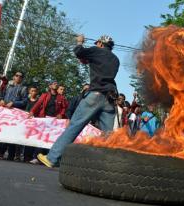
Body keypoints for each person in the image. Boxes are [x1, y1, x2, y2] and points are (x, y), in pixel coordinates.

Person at [37, 34, 120, 167]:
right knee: (108, 135)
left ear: (100, 43)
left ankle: (52, 158)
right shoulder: (116, 60)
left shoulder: (96, 50)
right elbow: (99, 66)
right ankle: (109, 165)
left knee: (75, 125)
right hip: (110, 99)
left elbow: (79, 52)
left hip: (95, 95)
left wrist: (79, 42)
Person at [28, 81, 68, 164]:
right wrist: (32, 111)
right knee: (42, 138)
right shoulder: (45, 95)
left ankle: (48, 158)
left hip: (55, 121)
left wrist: (61, 114)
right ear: (50, 86)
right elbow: (38, 104)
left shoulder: (61, 97)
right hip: (45, 119)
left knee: (51, 140)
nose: (56, 84)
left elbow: (64, 107)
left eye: (56, 84)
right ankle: (36, 157)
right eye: (54, 83)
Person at [0, 71, 28, 160]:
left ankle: (11, 155)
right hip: (4, 112)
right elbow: (1, 94)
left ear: (22, 79)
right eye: (16, 75)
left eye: (20, 76)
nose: (18, 77)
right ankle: (0, 153)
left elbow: (25, 102)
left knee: (11, 134)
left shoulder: (23, 88)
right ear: (14, 77)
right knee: (2, 132)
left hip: (15, 114)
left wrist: (13, 103)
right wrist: (1, 100)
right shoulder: (7, 86)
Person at [23, 86, 39, 162]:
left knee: (31, 140)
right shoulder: (26, 101)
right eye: (32, 91)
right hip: (25, 123)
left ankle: (29, 156)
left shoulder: (39, 102)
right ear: (29, 92)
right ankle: (22, 156)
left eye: (35, 91)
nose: (33, 92)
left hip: (34, 124)